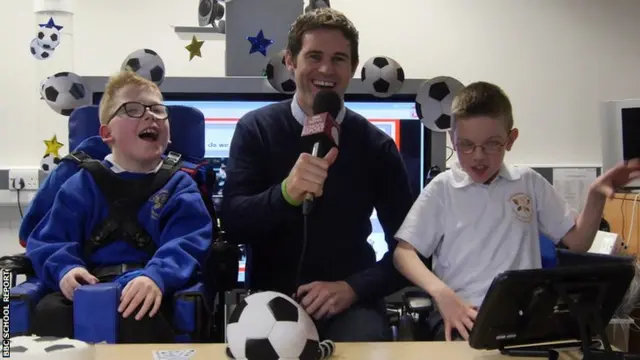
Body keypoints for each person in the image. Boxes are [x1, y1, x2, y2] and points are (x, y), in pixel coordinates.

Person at [392, 81, 640, 342]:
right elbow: (403, 254)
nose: (478, 156)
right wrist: (442, 295)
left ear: (510, 140)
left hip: (524, 317)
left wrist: (595, 194)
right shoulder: (443, 189)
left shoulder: (528, 182)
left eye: (491, 144)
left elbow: (578, 242)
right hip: (463, 315)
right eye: (466, 145)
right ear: (453, 139)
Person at [220, 8, 413, 342]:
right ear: (291, 61)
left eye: (339, 59)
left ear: (353, 67)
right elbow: (234, 222)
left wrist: (353, 288)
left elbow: (410, 249)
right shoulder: (256, 129)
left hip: (350, 304)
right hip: (270, 304)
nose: (326, 69)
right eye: (314, 56)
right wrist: (285, 194)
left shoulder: (376, 145)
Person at [25, 71, 213, 343]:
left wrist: (156, 276)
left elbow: (188, 242)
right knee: (49, 314)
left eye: (158, 111)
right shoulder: (81, 184)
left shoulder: (179, 186)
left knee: (141, 316)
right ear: (106, 133)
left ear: (169, 134)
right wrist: (65, 269)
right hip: (85, 287)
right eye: (132, 110)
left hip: (146, 288)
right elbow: (49, 240)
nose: (150, 116)